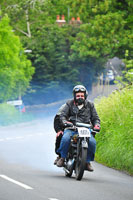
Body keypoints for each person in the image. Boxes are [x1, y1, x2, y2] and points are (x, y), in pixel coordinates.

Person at [56, 85, 100, 171]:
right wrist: (65, 122)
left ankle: (87, 162)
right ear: (75, 96)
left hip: (86, 129)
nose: (80, 97)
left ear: (85, 96)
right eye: (78, 96)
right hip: (72, 128)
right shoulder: (69, 103)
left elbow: (95, 118)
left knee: (92, 142)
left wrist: (96, 125)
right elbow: (63, 116)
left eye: (82, 96)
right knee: (65, 139)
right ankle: (62, 157)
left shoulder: (90, 105)